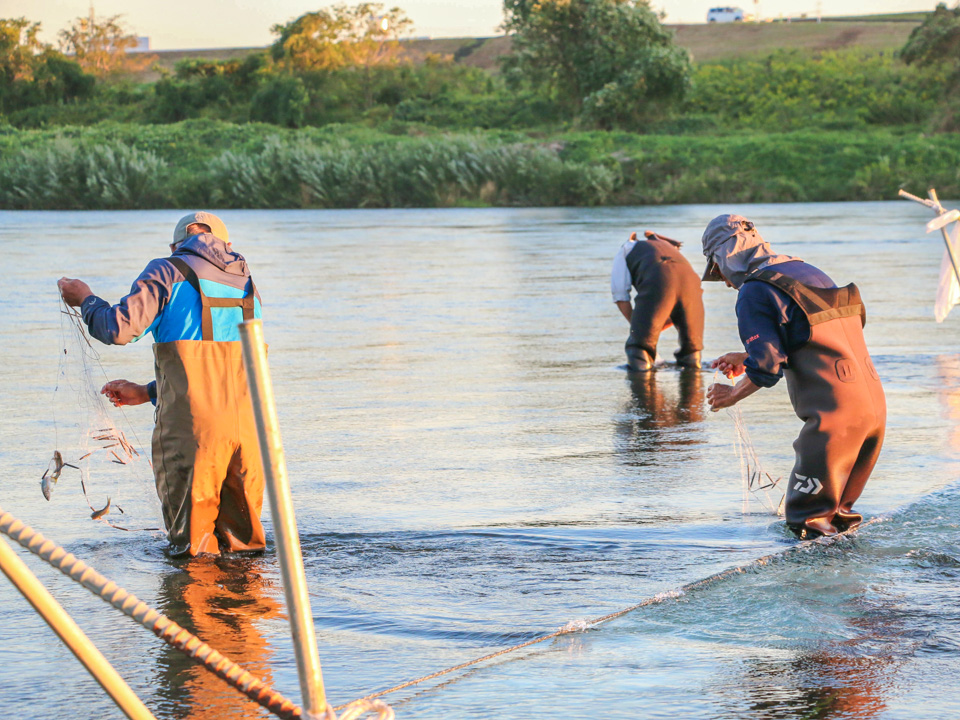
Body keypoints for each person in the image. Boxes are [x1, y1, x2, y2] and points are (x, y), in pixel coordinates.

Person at [57, 212, 265, 557]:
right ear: (227, 245)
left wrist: (86, 300)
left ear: (176, 245)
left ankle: (189, 612)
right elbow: (226, 372)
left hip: (194, 431)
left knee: (193, 550)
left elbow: (117, 328)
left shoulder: (168, 270)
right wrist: (147, 392)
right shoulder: (247, 282)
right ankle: (245, 610)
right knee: (244, 549)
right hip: (253, 428)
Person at [701, 214, 886, 539]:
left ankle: (813, 592)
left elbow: (768, 368)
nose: (727, 284)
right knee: (839, 523)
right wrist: (748, 356)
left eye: (719, 273)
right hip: (874, 414)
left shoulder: (754, 291)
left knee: (806, 525)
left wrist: (731, 395)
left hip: (835, 421)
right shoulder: (809, 271)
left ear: (724, 259)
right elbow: (818, 337)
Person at [611, 230, 704, 371]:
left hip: (659, 282)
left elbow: (620, 295)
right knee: (692, 354)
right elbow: (677, 297)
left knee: (639, 351)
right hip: (692, 285)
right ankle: (700, 391)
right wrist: (654, 325)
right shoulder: (669, 248)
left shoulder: (626, 249)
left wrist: (638, 328)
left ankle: (644, 389)